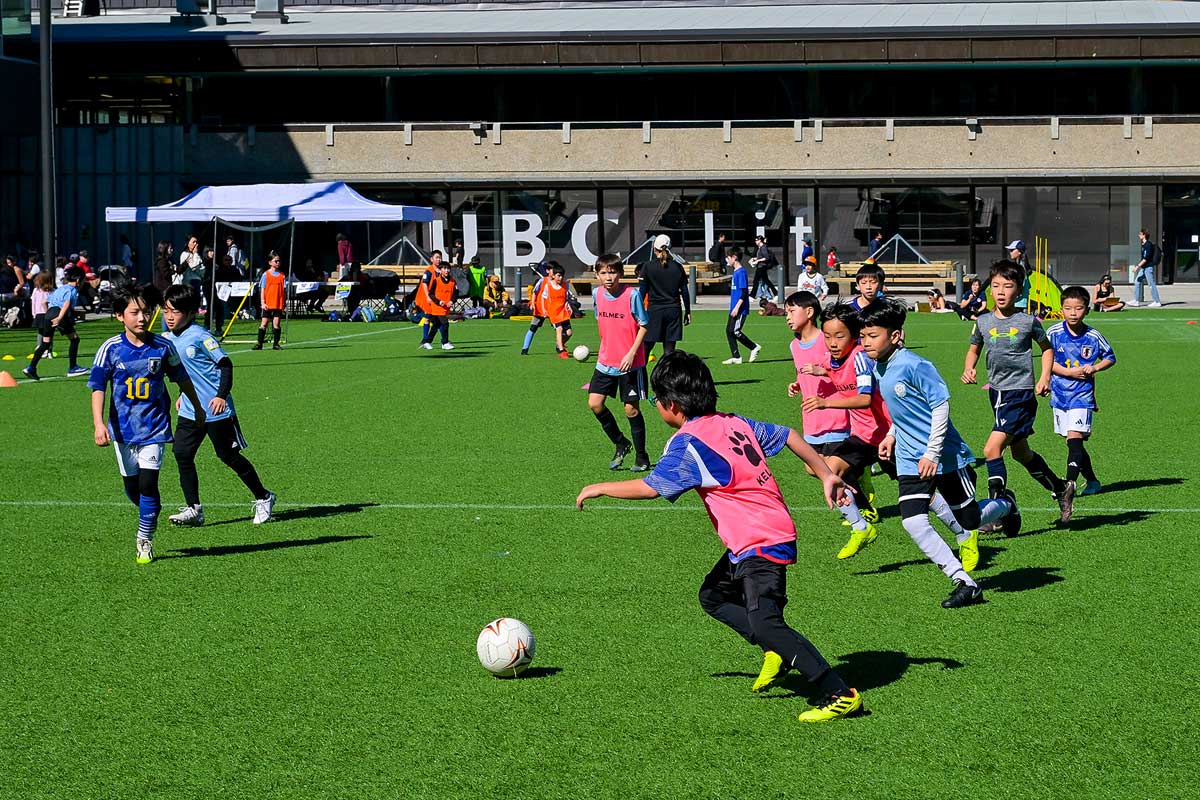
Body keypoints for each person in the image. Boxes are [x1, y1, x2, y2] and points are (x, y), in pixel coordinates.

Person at [575, 351, 863, 723]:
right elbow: (790, 435)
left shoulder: (689, 444)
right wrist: (824, 474)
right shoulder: (733, 423)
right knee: (713, 596)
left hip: (761, 540)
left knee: (765, 622)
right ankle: (774, 650)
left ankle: (838, 691)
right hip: (756, 537)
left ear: (672, 405)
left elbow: (651, 488)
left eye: (657, 401)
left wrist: (599, 487)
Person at [861, 298, 1019, 607]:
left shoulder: (915, 365)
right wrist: (892, 435)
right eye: (863, 336)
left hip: (945, 455)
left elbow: (940, 406)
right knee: (913, 522)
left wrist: (932, 454)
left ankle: (1005, 505)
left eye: (873, 336)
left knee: (970, 519)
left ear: (894, 336)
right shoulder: (879, 367)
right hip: (908, 458)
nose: (866, 342)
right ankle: (965, 582)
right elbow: (904, 410)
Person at [88, 282, 204, 565]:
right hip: (123, 430)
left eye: (145, 312)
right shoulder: (111, 348)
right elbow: (98, 385)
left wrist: (197, 406)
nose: (141, 318)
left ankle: (144, 539)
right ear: (119, 316)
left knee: (149, 483)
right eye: (134, 312)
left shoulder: (163, 346)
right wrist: (98, 424)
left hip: (154, 428)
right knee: (133, 487)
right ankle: (150, 510)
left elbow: (181, 378)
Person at [962, 260, 1069, 526]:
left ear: (1019, 291)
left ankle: (997, 511)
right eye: (996, 285)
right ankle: (1061, 488)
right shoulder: (983, 321)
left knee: (991, 449)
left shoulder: (1028, 321)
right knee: (1021, 453)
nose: (1000, 291)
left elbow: (1046, 348)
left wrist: (1044, 377)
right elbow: (974, 348)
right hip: (996, 393)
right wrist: (969, 368)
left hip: (1020, 394)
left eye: (1007, 286)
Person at [161, 284, 276, 528]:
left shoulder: (201, 337)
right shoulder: (167, 340)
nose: (170, 316)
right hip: (191, 410)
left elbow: (225, 364)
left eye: (176, 311)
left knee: (228, 455)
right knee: (182, 454)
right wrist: (183, 392)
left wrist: (221, 396)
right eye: (166, 310)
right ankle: (194, 509)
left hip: (215, 410)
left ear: (192, 313)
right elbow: (183, 372)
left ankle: (263, 497)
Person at [785, 294, 877, 556]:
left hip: (838, 414)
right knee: (813, 467)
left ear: (810, 312)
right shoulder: (795, 345)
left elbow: (842, 370)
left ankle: (862, 513)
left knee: (830, 468)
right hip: (812, 415)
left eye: (792, 311)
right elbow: (805, 371)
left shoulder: (832, 343)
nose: (788, 317)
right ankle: (860, 483)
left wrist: (825, 396)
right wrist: (798, 383)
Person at [1047, 286, 1116, 518]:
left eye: (1078, 308)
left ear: (1086, 309)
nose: (1073, 313)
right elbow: (1047, 360)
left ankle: (1069, 485)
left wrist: (1094, 367)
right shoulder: (1054, 333)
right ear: (1061, 309)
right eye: (1068, 308)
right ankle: (1093, 481)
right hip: (1059, 395)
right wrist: (1064, 374)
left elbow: (1110, 357)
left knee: (1074, 439)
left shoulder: (1093, 336)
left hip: (1082, 395)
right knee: (1071, 441)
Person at [588, 253, 652, 473]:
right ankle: (621, 442)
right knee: (595, 404)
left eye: (613, 272)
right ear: (597, 275)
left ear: (620, 274)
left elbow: (644, 325)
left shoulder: (632, 295)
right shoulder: (596, 294)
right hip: (605, 361)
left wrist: (631, 353)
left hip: (630, 364)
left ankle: (642, 457)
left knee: (631, 410)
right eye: (603, 272)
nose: (608, 277)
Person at [24, 266, 88, 381]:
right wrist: (59, 317)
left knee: (45, 343)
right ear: (78, 280)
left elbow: (45, 302)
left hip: (48, 314)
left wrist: (49, 315)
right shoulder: (72, 290)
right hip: (59, 314)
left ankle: (31, 367)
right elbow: (66, 303)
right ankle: (73, 368)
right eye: (83, 280)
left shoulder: (61, 288)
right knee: (75, 339)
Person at [639, 234, 690, 359]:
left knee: (646, 348)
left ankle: (639, 377)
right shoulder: (678, 267)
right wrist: (688, 311)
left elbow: (642, 292)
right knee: (669, 352)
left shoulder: (647, 267)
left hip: (654, 311)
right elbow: (684, 291)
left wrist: (637, 312)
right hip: (673, 311)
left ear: (654, 248)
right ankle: (667, 378)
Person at [722, 246, 759, 365]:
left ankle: (754, 347)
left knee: (736, 331)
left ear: (734, 257)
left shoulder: (741, 272)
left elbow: (744, 292)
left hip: (740, 309)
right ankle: (736, 357)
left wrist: (737, 307)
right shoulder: (735, 272)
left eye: (728, 257)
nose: (727, 259)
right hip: (734, 308)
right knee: (729, 331)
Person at [416, 250, 455, 351]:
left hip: (437, 299)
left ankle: (432, 341)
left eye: (440, 257)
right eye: (437, 257)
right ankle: (428, 339)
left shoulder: (441, 271)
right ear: (431, 259)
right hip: (429, 298)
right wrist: (427, 297)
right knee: (430, 318)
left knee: (438, 321)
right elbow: (424, 284)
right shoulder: (429, 271)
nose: (439, 259)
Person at [536, 261, 573, 358]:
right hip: (554, 313)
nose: (560, 278)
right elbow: (544, 298)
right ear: (553, 276)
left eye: (562, 276)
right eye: (558, 276)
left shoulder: (565, 285)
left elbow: (566, 298)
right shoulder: (548, 286)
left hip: (563, 312)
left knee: (569, 333)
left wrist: (568, 305)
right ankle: (561, 351)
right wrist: (544, 309)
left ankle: (559, 344)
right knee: (559, 329)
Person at [253, 252, 286, 351]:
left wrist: (284, 302)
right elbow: (262, 289)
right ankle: (259, 343)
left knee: (276, 324)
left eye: (279, 261)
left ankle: (276, 344)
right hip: (268, 303)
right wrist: (263, 302)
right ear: (270, 262)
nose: (278, 262)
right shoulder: (265, 275)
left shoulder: (282, 275)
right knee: (264, 323)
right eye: (276, 261)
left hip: (278, 303)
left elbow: (284, 290)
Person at [520, 262, 550, 355]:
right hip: (540, 309)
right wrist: (533, 302)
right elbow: (534, 292)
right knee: (533, 328)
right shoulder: (542, 281)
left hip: (551, 309)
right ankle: (525, 349)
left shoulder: (555, 281)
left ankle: (560, 348)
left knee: (558, 328)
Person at [1129, 228, 1162, 307]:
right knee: (1137, 281)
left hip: (1148, 268)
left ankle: (1157, 301)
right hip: (1144, 268)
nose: (1139, 235)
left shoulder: (1148, 245)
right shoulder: (1143, 245)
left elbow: (1146, 258)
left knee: (1151, 284)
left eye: (1140, 234)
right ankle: (1136, 301)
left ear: (1144, 235)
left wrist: (1137, 267)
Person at [28, 271, 54, 356]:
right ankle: (41, 347)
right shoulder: (37, 290)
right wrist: (34, 313)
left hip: (45, 314)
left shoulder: (51, 291)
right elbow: (34, 302)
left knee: (47, 332)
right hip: (41, 314)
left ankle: (48, 350)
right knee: (43, 332)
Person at [1005, 239, 1033, 311]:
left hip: (1018, 302)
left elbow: (1021, 284)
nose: (1010, 252)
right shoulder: (1020, 265)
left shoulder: (1021, 267)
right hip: (1019, 301)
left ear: (1019, 252)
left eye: (1012, 250)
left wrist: (1013, 296)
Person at [749, 235, 778, 301]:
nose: (755, 241)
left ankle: (752, 296)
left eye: (756, 240)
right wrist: (754, 259)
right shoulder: (760, 248)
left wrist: (757, 261)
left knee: (756, 281)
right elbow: (761, 257)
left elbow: (766, 257)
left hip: (761, 267)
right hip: (761, 266)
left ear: (760, 240)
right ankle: (776, 293)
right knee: (766, 281)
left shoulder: (763, 247)